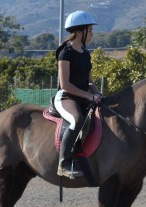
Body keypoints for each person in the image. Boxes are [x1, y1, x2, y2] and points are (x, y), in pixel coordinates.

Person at [54, 10, 102, 178]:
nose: (92, 34)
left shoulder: (86, 53)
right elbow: (65, 85)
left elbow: (89, 82)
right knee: (77, 120)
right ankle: (63, 163)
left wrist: (97, 94)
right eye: (90, 30)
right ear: (80, 31)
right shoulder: (65, 53)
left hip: (83, 96)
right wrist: (89, 96)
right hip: (66, 97)